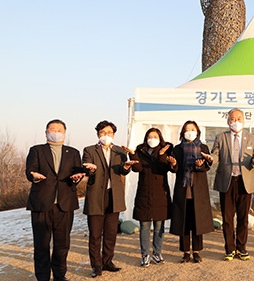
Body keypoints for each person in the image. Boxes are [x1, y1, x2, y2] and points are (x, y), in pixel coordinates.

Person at [25, 119, 86, 281]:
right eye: (52, 129)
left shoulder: (73, 152)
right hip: (42, 203)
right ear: (46, 132)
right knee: (41, 244)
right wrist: (34, 176)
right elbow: (29, 171)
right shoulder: (36, 150)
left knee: (62, 244)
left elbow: (77, 174)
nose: (56, 132)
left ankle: (60, 275)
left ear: (65, 134)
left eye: (59, 130)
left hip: (64, 204)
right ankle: (43, 277)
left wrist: (77, 178)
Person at [82, 120, 137, 278]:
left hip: (113, 196)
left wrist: (126, 168)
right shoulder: (89, 150)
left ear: (114, 134)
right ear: (98, 134)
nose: (106, 136)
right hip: (95, 196)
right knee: (95, 234)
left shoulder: (120, 151)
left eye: (109, 133)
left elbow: (122, 170)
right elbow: (86, 170)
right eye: (103, 133)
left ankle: (107, 261)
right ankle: (96, 265)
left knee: (111, 232)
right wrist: (90, 170)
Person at [211, 108, 254, 261]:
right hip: (227, 180)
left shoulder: (252, 138)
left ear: (244, 120)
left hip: (244, 182)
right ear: (228, 121)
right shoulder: (221, 137)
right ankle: (230, 249)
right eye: (233, 119)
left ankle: (242, 248)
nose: (236, 121)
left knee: (243, 217)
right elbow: (215, 155)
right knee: (227, 217)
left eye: (239, 118)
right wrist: (209, 158)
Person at [124, 128, 178, 267]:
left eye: (155, 136)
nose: (152, 138)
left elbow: (166, 168)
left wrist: (161, 155)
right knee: (144, 225)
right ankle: (144, 254)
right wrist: (133, 155)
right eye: (149, 136)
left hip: (161, 193)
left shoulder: (166, 149)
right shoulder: (140, 150)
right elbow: (138, 169)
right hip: (144, 193)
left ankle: (157, 252)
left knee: (159, 226)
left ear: (160, 138)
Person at [170, 121, 214, 263]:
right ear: (182, 132)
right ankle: (185, 252)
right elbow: (174, 169)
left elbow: (207, 167)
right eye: (187, 129)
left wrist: (200, 165)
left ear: (197, 131)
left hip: (198, 190)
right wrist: (174, 164)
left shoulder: (203, 147)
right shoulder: (177, 149)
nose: (190, 131)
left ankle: (196, 251)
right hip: (183, 189)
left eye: (192, 129)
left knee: (197, 221)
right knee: (184, 221)